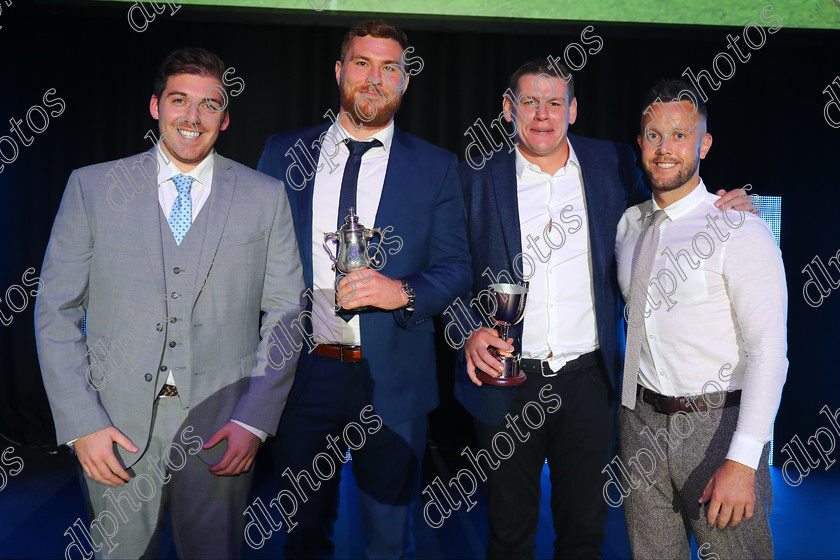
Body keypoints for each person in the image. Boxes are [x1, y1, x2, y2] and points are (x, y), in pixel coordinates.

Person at [454, 59, 752, 559]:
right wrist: (466, 329)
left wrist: (721, 201)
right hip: (504, 381)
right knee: (507, 535)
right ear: (509, 110)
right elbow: (448, 265)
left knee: (585, 534)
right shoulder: (474, 177)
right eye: (529, 101)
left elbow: (666, 203)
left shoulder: (610, 164)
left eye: (554, 103)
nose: (542, 114)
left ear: (574, 110)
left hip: (590, 383)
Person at [34, 47, 304, 559]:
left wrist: (254, 419)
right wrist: (81, 424)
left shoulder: (264, 196)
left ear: (225, 118)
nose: (193, 116)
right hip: (113, 428)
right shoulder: (92, 188)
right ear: (155, 106)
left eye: (210, 104)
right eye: (180, 100)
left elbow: (287, 316)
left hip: (221, 429)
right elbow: (55, 312)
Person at [257, 19, 471, 559]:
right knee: (302, 536)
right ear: (339, 72)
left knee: (388, 542)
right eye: (362, 64)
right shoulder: (284, 155)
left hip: (394, 382)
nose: (374, 79)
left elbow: (456, 268)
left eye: (389, 68)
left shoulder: (436, 168)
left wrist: (401, 291)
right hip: (301, 376)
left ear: (404, 82)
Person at [614, 79, 786, 558]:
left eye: (679, 134)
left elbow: (771, 353)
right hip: (639, 421)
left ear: (703, 143)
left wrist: (743, 460)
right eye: (653, 135)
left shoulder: (738, 227)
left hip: (717, 427)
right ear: (640, 141)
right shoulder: (628, 226)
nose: (665, 148)